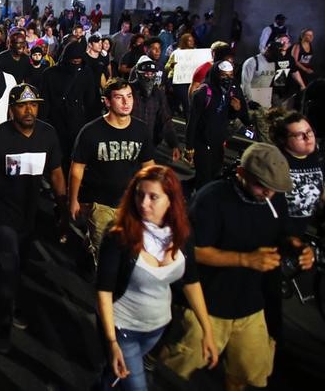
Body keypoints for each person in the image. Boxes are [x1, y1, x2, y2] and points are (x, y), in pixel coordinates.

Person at [159, 143, 315, 391]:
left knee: (246, 372)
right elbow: (193, 251)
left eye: (273, 189)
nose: (268, 194)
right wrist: (245, 259)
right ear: (241, 174)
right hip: (207, 304)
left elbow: (283, 233)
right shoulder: (212, 198)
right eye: (261, 185)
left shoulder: (273, 197)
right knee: (177, 369)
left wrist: (299, 248)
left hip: (251, 306)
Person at [97, 165, 218, 390]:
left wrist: (207, 330)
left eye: (153, 197)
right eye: (139, 194)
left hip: (157, 328)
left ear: (171, 200)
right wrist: (111, 341)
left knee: (114, 374)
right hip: (123, 328)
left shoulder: (182, 234)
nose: (143, 203)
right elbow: (104, 290)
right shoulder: (119, 235)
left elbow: (191, 281)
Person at [0, 83, 67, 353]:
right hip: (2, 214)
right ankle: (3, 323)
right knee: (9, 266)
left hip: (30, 214)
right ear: (12, 109)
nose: (29, 110)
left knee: (20, 267)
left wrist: (62, 210)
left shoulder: (48, 135)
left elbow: (57, 173)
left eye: (34, 105)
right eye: (23, 105)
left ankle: (14, 303)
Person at [68, 78, 155, 255]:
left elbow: (148, 164)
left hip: (129, 201)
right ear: (107, 101)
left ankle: (87, 249)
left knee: (129, 248)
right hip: (99, 203)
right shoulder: (91, 131)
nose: (126, 102)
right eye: (119, 97)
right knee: (104, 252)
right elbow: (77, 168)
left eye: (129, 96)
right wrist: (73, 200)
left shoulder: (141, 129)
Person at [185, 61, 250, 189]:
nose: (228, 79)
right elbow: (192, 122)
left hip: (218, 141)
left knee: (215, 174)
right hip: (202, 142)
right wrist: (189, 147)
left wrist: (235, 109)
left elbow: (226, 116)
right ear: (216, 75)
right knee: (204, 178)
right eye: (224, 75)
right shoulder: (202, 93)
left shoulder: (229, 91)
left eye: (230, 75)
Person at [40, 40, 100, 173]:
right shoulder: (49, 74)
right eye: (73, 61)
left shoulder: (86, 73)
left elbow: (91, 101)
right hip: (55, 124)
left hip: (78, 124)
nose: (76, 64)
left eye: (79, 61)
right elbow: (44, 103)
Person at [269, 111, 323, 237]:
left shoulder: (317, 158)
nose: (308, 137)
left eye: (309, 132)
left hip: (302, 233)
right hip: (275, 236)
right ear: (283, 140)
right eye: (299, 135)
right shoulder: (274, 162)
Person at [130, 57, 181, 162]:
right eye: (146, 74)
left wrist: (174, 144)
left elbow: (165, 119)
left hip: (149, 142)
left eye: (152, 74)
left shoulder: (158, 94)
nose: (149, 77)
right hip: (129, 142)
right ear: (138, 74)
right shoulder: (128, 91)